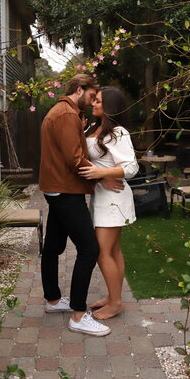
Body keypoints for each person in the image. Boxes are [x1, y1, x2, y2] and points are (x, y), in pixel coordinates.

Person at [39, 74, 124, 336]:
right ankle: (78, 315)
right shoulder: (66, 114)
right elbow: (75, 159)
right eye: (90, 95)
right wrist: (104, 177)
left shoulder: (63, 111)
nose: (92, 100)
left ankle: (53, 300)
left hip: (56, 188)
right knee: (89, 249)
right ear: (79, 89)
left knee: (53, 246)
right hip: (65, 190)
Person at [79, 87, 138, 319]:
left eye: (99, 101)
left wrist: (101, 174)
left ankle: (115, 303)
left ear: (110, 106)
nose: (93, 103)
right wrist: (102, 176)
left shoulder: (119, 132)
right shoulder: (95, 127)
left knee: (103, 252)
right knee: (113, 250)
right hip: (103, 195)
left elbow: (131, 167)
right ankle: (114, 297)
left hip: (114, 198)